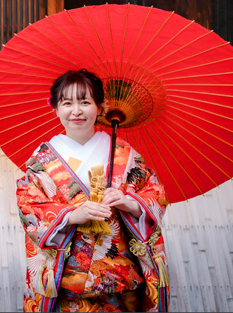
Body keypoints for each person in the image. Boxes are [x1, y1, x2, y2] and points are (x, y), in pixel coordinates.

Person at [16, 69, 170, 312]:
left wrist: (129, 202)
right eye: (67, 103)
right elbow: (29, 205)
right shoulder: (43, 159)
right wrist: (72, 215)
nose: (76, 111)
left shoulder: (123, 153)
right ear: (55, 108)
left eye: (85, 102)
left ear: (101, 107)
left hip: (120, 278)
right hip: (67, 282)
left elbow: (155, 193)